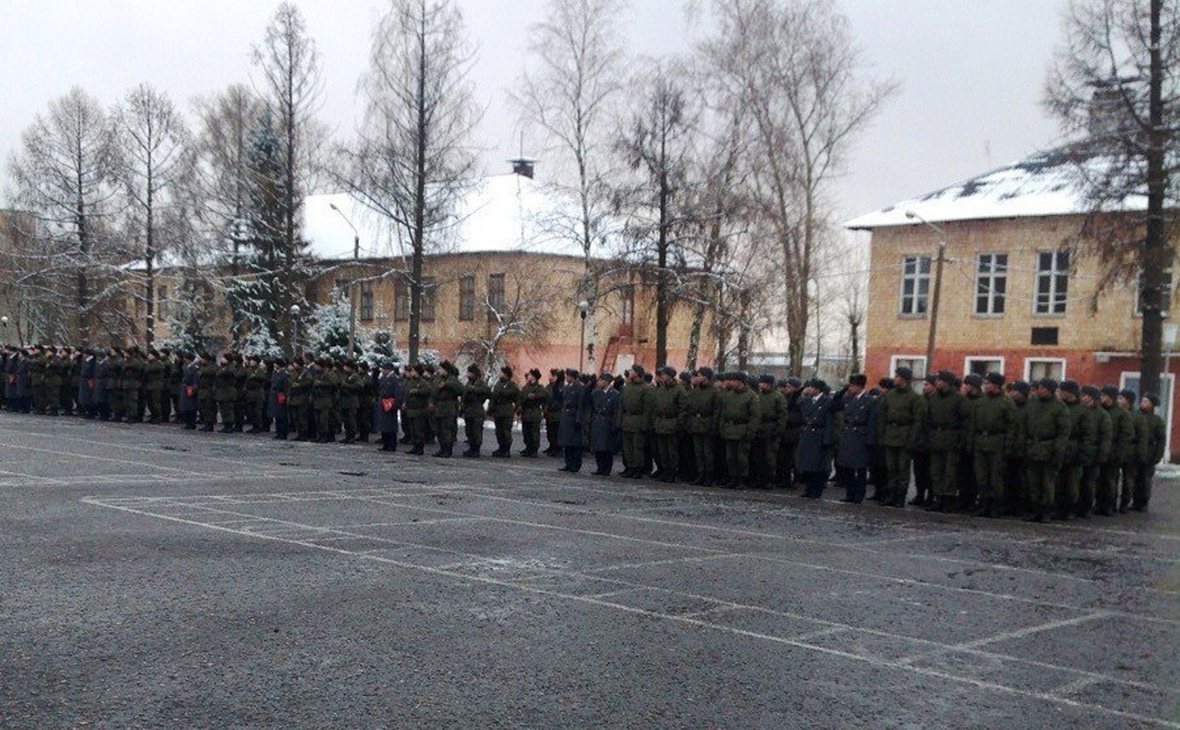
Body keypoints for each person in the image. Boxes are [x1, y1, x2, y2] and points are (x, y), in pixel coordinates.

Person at [967, 371, 1015, 518]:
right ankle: (983, 503)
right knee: (981, 477)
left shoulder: (1007, 403)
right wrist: (971, 443)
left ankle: (996, 506)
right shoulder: (980, 402)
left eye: (988, 383)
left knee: (996, 478)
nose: (985, 386)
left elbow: (1012, 427)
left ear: (996, 385)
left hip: (997, 444)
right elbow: (973, 425)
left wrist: (1008, 446)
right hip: (981, 442)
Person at [1024, 378, 1071, 523]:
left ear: (1051, 390)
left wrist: (1058, 451)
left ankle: (1046, 511)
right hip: (1033, 447)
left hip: (1049, 447)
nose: (1041, 390)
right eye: (1040, 388)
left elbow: (1064, 432)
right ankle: (1036, 509)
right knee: (1034, 482)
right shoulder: (1032, 404)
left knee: (1048, 483)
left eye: (1044, 388)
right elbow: (1024, 424)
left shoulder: (1060, 407)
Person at [877, 366, 925, 509]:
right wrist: (882, 435)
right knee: (891, 468)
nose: (896, 379)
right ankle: (891, 494)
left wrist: (912, 439)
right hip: (890, 435)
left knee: (903, 469)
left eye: (898, 377)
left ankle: (900, 496)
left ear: (905, 379)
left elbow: (918, 421)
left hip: (905, 436)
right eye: (896, 376)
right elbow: (882, 416)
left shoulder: (915, 398)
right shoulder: (890, 395)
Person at [926, 370, 967, 513]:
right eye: (937, 380)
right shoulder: (933, 398)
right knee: (936, 471)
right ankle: (938, 497)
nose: (937, 383)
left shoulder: (958, 399)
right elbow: (927, 419)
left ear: (948, 383)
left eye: (940, 380)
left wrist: (960, 441)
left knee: (950, 472)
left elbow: (964, 422)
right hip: (936, 438)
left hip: (951, 439)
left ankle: (948, 499)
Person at [1055, 380, 1091, 521]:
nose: (1060, 394)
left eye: (1063, 391)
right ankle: (1059, 508)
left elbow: (1088, 435)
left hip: (1075, 449)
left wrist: (1083, 453)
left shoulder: (1083, 410)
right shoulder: (1059, 407)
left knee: (1072, 484)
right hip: (1061, 448)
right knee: (1058, 482)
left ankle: (1070, 508)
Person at [835, 374, 873, 504]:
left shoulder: (868, 400)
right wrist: (841, 391)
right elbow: (835, 405)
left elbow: (872, 422)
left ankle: (859, 495)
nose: (850, 388)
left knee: (860, 468)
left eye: (852, 385)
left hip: (860, 435)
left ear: (860, 386)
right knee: (847, 467)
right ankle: (850, 493)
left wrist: (870, 440)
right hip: (848, 434)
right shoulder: (847, 398)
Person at [1075, 385, 1111, 518]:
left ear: (1090, 398)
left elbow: (1105, 437)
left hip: (1093, 454)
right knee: (1076, 481)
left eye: (1084, 395)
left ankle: (1086, 507)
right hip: (1078, 451)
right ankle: (1077, 506)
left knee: (1088, 483)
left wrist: (1102, 455)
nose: (1082, 397)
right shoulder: (1079, 410)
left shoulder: (1102, 415)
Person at [1096, 385, 1132, 516]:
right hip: (1100, 450)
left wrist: (1119, 453)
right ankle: (1099, 504)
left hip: (1113, 451)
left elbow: (1126, 436)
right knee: (1099, 479)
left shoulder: (1122, 414)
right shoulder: (1100, 411)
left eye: (1104, 396)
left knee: (1110, 480)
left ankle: (1109, 505)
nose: (1101, 398)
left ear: (1110, 397)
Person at [718, 372, 758, 489]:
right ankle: (733, 478)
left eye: (734, 380)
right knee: (730, 457)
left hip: (743, 430)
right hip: (730, 429)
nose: (732, 382)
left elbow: (755, 416)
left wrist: (751, 431)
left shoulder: (752, 396)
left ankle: (742, 479)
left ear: (741, 382)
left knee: (741, 457)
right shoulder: (729, 395)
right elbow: (723, 413)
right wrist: (722, 427)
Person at [796, 379, 833, 498]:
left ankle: (816, 490)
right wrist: (801, 390)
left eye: (811, 387)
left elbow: (830, 422)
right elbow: (794, 404)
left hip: (819, 434)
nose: (809, 389)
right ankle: (808, 488)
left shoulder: (827, 401)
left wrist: (827, 439)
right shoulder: (806, 400)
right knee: (807, 464)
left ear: (818, 389)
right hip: (807, 433)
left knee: (817, 465)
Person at [652, 367, 687, 483]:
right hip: (661, 424)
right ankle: (665, 470)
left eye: (664, 374)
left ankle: (671, 472)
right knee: (662, 451)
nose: (662, 376)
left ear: (670, 376)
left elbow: (683, 409)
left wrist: (679, 424)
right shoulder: (661, 390)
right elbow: (656, 407)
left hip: (672, 423)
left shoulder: (679, 390)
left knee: (671, 451)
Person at [619, 366, 655, 479]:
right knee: (627, 448)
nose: (630, 373)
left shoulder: (646, 389)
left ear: (638, 373)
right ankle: (630, 467)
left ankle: (638, 468)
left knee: (637, 448)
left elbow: (648, 409)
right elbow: (621, 407)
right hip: (627, 421)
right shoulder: (627, 388)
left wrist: (645, 424)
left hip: (638, 421)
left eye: (632, 371)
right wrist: (620, 421)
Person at [752, 374, 787, 489]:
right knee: (758, 457)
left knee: (770, 457)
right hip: (759, 428)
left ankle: (769, 480)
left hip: (771, 429)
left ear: (769, 384)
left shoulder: (778, 397)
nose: (760, 385)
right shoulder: (758, 396)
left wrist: (778, 430)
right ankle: (759, 478)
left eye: (763, 383)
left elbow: (782, 415)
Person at [686, 368, 720, 487]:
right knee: (698, 452)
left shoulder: (714, 392)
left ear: (707, 377)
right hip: (696, 424)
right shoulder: (695, 392)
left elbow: (717, 411)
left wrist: (714, 426)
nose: (698, 378)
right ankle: (700, 473)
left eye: (701, 376)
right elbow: (689, 409)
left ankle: (709, 475)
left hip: (708, 424)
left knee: (707, 453)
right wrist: (690, 424)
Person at [1133, 393, 1166, 511]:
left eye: (1146, 401)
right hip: (1136, 451)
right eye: (1142, 401)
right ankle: (1135, 501)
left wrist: (1158, 455)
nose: (1143, 403)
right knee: (1135, 478)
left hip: (1149, 452)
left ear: (1152, 405)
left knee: (1145, 479)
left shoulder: (1157, 421)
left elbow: (1161, 440)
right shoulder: (1136, 416)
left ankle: (1143, 502)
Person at [590, 372, 620, 476]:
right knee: (598, 447)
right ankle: (600, 467)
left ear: (607, 381)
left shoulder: (615, 394)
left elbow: (616, 411)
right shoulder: (596, 393)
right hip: (598, 420)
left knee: (607, 447)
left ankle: (606, 468)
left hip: (608, 421)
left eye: (601, 380)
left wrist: (615, 425)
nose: (599, 382)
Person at [431, 361, 462, 458]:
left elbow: (460, 389)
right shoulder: (438, 379)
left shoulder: (452, 379)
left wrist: (447, 384)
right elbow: (434, 391)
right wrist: (432, 402)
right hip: (439, 407)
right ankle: (442, 448)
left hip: (449, 408)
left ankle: (447, 449)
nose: (439, 370)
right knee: (439, 430)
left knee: (447, 430)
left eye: (441, 369)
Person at [558, 368, 586, 473]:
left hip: (574, 416)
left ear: (572, 376)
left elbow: (580, 404)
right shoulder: (566, 387)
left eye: (568, 375)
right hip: (566, 415)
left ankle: (575, 464)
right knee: (566, 442)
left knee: (575, 443)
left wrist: (579, 418)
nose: (566, 377)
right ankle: (568, 463)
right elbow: (560, 397)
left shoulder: (580, 387)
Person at [461, 365, 490, 457]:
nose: (468, 374)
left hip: (476, 410)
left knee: (476, 431)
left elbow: (487, 391)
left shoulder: (480, 382)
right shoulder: (468, 382)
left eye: (470, 373)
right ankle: (471, 448)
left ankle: (476, 449)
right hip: (468, 410)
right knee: (469, 431)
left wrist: (475, 389)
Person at [490, 366, 519, 458]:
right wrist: (491, 408)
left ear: (506, 374)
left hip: (506, 411)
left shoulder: (512, 385)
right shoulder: (498, 384)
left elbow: (515, 395)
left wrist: (516, 409)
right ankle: (501, 448)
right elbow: (494, 397)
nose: (500, 374)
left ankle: (506, 449)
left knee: (506, 431)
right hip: (498, 411)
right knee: (499, 431)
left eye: (501, 373)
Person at [519, 369, 547, 457]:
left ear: (534, 377)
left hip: (534, 411)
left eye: (530, 375)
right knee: (526, 432)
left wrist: (535, 396)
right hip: (526, 411)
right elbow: (521, 397)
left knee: (534, 432)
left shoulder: (539, 387)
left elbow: (545, 396)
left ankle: (534, 449)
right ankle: (528, 447)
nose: (529, 376)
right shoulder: (526, 387)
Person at [405, 365, 431, 455]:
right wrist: (405, 403)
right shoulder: (410, 382)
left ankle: (420, 448)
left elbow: (428, 391)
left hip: (420, 410)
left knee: (419, 430)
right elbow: (406, 393)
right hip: (411, 409)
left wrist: (418, 391)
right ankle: (415, 446)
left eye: (413, 371)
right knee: (413, 430)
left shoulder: (423, 382)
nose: (411, 372)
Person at [376, 360, 401, 452]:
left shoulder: (395, 379)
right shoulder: (384, 378)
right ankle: (385, 444)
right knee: (384, 425)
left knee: (390, 426)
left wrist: (394, 405)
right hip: (383, 402)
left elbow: (397, 393)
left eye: (384, 369)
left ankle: (391, 445)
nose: (382, 371)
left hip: (390, 402)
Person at [543, 369, 565, 456]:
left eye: (552, 376)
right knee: (550, 431)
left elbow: (557, 400)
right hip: (549, 413)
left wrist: (551, 407)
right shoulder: (549, 386)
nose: (550, 377)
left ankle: (558, 448)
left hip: (557, 413)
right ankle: (552, 446)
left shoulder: (560, 387)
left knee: (557, 432)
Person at [269, 357, 290, 440]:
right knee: (276, 415)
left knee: (282, 415)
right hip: (274, 395)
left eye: (275, 363)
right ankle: (278, 432)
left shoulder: (284, 373)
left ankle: (283, 433)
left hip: (281, 395)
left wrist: (286, 396)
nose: (274, 365)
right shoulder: (274, 372)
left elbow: (286, 386)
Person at [179, 352, 200, 430]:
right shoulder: (185, 367)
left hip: (190, 387)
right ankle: (188, 422)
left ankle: (192, 423)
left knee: (191, 406)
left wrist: (194, 388)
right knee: (185, 406)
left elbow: (195, 379)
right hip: (185, 387)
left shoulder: (194, 367)